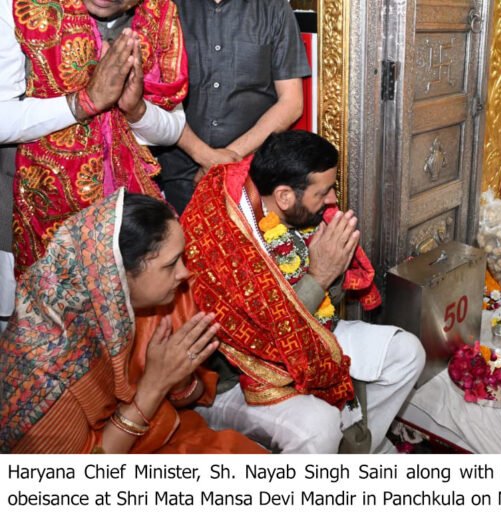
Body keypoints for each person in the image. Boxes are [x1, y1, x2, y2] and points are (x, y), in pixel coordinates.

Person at [181, 131, 425, 453]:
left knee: (407, 352)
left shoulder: (300, 213)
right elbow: (264, 333)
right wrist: (320, 275)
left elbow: (327, 307)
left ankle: (358, 453)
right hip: (241, 376)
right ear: (284, 196)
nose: (332, 200)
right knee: (318, 427)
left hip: (309, 334)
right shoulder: (226, 239)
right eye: (323, 192)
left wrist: (330, 269)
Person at [0, 191, 264, 453]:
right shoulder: (46, 375)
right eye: (171, 264)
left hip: (163, 431)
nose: (185, 273)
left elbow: (188, 396)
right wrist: (155, 384)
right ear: (117, 275)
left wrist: (177, 376)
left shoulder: (130, 309)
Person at [1, 0, 188, 276]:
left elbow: (174, 126)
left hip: (121, 223)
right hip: (25, 213)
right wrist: (84, 103)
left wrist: (137, 110)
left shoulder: (158, 15)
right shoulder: (19, 7)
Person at [155, 0, 309, 214]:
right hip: (178, 176)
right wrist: (203, 155)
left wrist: (227, 157)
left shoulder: (274, 8)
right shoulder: (164, 7)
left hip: (251, 175)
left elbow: (291, 103)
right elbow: (152, 98)